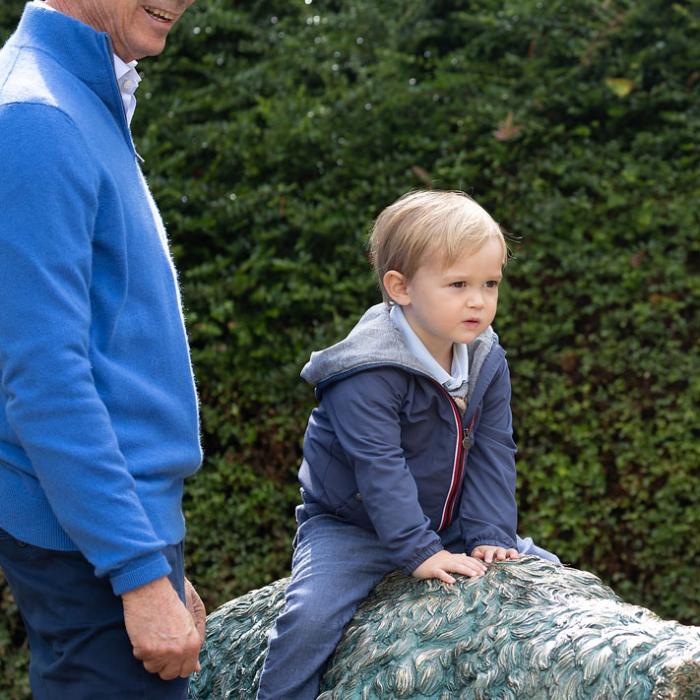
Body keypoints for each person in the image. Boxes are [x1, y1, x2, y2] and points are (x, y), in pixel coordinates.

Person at [256, 190, 560, 699]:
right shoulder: (366, 370)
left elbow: (492, 448)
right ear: (400, 287)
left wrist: (490, 533)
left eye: (490, 284)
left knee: (548, 576)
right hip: (354, 528)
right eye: (458, 284)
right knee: (309, 618)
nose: (478, 300)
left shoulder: (485, 358)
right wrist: (419, 552)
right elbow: (379, 467)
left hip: (452, 523)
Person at [0, 1, 205, 698]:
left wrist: (155, 559)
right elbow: (45, 379)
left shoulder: (76, 92)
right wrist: (140, 573)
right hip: (82, 547)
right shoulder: (37, 116)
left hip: (109, 533)